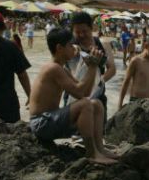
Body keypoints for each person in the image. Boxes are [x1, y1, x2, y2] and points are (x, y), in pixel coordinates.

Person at [28, 29, 119, 165]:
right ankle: (92, 153)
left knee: (96, 104)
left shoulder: (61, 68)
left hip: (49, 119)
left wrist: (92, 67)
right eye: (70, 45)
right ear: (59, 48)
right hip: (41, 123)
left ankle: (99, 148)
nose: (74, 48)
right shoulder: (53, 68)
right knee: (86, 104)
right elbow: (79, 93)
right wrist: (92, 67)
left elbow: (85, 93)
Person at [64, 12, 116, 124]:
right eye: (77, 32)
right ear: (72, 31)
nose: (81, 35)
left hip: (98, 95)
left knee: (98, 131)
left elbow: (112, 69)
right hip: (74, 95)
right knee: (74, 133)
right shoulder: (69, 46)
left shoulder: (103, 44)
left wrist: (98, 82)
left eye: (85, 31)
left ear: (92, 28)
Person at [118, 33, 149, 107]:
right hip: (135, 101)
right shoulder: (135, 61)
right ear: (146, 46)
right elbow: (126, 82)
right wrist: (120, 104)